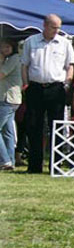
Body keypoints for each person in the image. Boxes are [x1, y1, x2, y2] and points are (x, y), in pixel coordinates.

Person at [21, 14, 74, 173]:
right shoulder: (31, 41)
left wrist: (67, 84)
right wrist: (26, 84)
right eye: (53, 27)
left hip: (56, 88)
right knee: (34, 126)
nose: (56, 30)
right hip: (35, 88)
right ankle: (34, 166)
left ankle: (56, 166)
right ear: (45, 25)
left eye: (58, 28)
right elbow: (24, 65)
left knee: (56, 127)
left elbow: (70, 66)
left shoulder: (64, 43)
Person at [0, 39, 22, 170]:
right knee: (7, 132)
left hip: (8, 99)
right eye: (2, 47)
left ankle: (4, 160)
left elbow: (1, 74)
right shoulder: (9, 59)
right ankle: (10, 161)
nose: (4, 50)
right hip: (9, 99)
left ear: (13, 47)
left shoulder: (14, 59)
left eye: (7, 47)